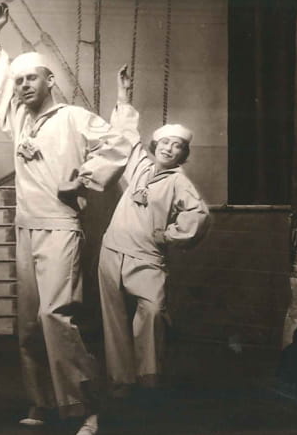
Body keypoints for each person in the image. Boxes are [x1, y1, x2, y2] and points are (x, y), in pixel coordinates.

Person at [0, 4, 134, 435]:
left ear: (50, 80)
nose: (23, 86)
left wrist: (83, 178)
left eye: (31, 78)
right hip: (25, 226)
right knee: (29, 322)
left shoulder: (72, 117)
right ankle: (43, 401)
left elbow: (119, 143)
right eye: (18, 80)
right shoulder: (18, 119)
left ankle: (88, 406)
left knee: (55, 314)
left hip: (61, 226)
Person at [88, 66, 211, 408]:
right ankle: (120, 381)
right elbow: (126, 135)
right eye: (165, 143)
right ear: (156, 145)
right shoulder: (139, 166)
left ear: (183, 155)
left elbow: (199, 214)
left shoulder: (178, 182)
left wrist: (169, 235)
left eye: (177, 146)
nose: (170, 149)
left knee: (153, 310)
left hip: (146, 258)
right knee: (113, 319)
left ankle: (148, 378)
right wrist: (123, 94)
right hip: (112, 251)